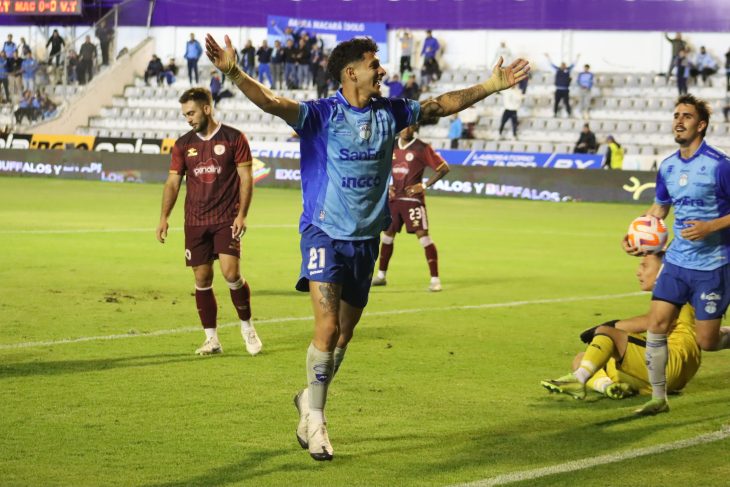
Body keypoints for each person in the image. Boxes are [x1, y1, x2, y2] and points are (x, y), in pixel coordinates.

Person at [204, 33, 529, 461]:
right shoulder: (320, 115)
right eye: (375, 64)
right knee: (326, 328)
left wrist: (490, 86)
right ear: (351, 72)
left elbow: (439, 105)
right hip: (323, 233)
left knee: (344, 334)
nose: (382, 70)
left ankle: (308, 399)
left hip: (365, 239)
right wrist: (233, 71)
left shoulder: (391, 112)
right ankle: (317, 421)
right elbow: (272, 102)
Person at [623, 94, 730, 416]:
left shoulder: (720, 165)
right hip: (677, 262)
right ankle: (658, 398)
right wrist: (635, 232)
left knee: (707, 341)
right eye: (676, 115)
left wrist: (711, 226)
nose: (679, 121)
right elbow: (660, 208)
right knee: (657, 324)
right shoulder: (668, 166)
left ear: (701, 125)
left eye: (686, 116)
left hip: (713, 265)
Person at [156, 87, 262, 358]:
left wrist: (242, 214)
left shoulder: (234, 138)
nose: (188, 119)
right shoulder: (183, 144)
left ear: (207, 108)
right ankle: (211, 339)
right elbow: (172, 182)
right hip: (195, 220)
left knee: (231, 273)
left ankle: (247, 328)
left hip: (226, 218)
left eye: (191, 113)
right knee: (202, 278)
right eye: (184, 115)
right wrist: (164, 217)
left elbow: (246, 179)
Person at [541, 252, 701, 400]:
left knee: (607, 333)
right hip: (665, 376)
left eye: (644, 265)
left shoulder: (674, 290)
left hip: (671, 361)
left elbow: (650, 321)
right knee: (581, 359)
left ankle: (579, 379)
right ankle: (608, 387)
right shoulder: (675, 291)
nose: (638, 272)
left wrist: (606, 328)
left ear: (663, 269)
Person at [371, 124, 449, 291]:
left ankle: (435, 279)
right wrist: (386, 185)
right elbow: (378, 166)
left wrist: (424, 185)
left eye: (410, 126)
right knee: (387, 236)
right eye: (404, 126)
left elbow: (443, 168)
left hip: (413, 200)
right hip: (393, 200)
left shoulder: (422, 148)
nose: (406, 129)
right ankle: (381, 276)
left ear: (415, 128)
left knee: (423, 237)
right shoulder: (390, 145)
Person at [545, 53, 578, 118]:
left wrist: (577, 57)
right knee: (556, 102)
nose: (563, 66)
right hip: (558, 89)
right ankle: (555, 113)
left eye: (564, 65)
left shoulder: (568, 70)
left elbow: (574, 64)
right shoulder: (558, 69)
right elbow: (551, 64)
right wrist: (548, 57)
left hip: (565, 90)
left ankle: (569, 113)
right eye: (562, 65)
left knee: (566, 102)